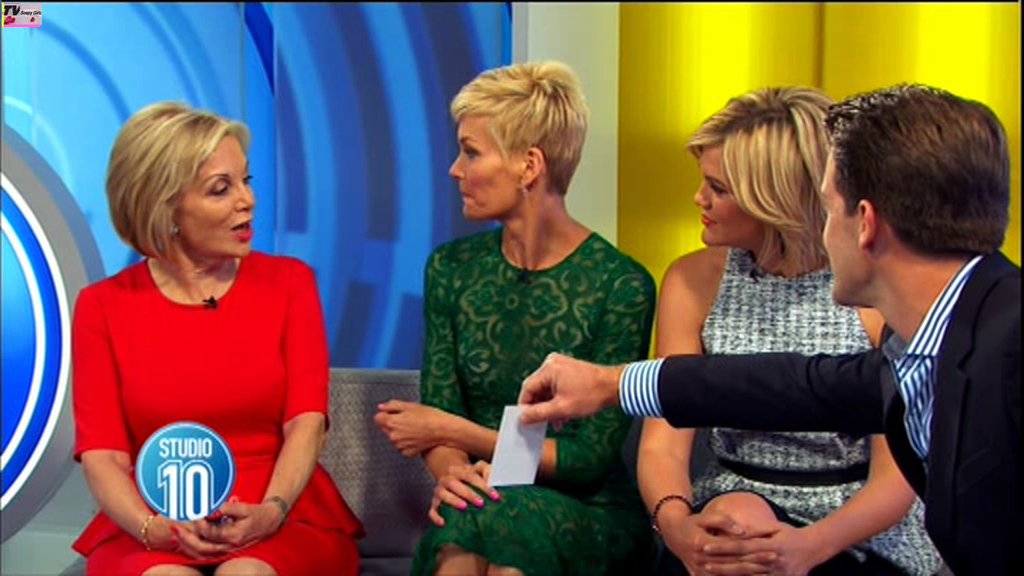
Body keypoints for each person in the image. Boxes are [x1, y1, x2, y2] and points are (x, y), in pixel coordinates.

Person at [517, 83, 1020, 576]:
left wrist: (805, 548)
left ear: (864, 223)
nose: (824, 229)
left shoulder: (1005, 348)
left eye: (829, 209)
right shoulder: (918, 352)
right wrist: (612, 384)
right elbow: (791, 385)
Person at [637, 86, 939, 575]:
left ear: (774, 199)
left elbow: (895, 478)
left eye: (718, 188)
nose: (699, 198)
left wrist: (806, 547)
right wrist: (676, 527)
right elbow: (662, 445)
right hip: (727, 507)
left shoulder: (875, 289)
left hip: (852, 525)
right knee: (732, 532)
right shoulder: (691, 282)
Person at [372, 61, 657, 575]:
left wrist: (453, 430)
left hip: (588, 511)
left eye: (471, 152)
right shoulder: (451, 269)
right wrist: (454, 474)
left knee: (497, 532)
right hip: (484, 497)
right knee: (469, 513)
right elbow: (440, 414)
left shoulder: (621, 284)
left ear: (529, 166)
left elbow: (587, 460)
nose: (455, 169)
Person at [71, 102, 364, 575]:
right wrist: (153, 528)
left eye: (246, 181)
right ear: (166, 207)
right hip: (151, 522)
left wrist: (271, 511)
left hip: (279, 513)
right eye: (220, 189)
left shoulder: (290, 284)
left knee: (245, 573)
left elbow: (306, 424)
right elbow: (103, 455)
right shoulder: (102, 307)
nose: (247, 200)